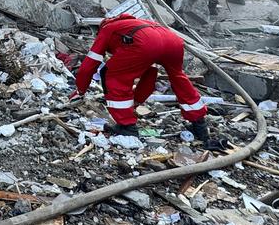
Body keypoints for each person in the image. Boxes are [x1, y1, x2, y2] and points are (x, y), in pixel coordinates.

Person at [73, 13, 217, 144]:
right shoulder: (138, 24)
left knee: (111, 75)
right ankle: (200, 126)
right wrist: (137, 101)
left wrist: (80, 89)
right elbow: (150, 76)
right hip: (173, 41)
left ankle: (127, 126)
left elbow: (89, 65)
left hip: (146, 44)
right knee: (179, 78)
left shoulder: (107, 29)